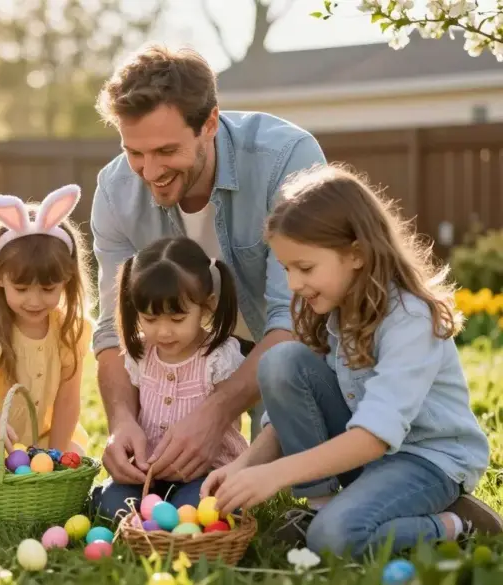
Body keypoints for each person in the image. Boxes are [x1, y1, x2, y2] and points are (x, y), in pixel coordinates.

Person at [201, 164, 502, 558]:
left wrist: (275, 474)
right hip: (365, 457)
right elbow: (299, 404)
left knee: (334, 539)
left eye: (305, 268)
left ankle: (454, 525)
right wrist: (244, 465)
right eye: (287, 269)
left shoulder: (410, 319)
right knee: (281, 361)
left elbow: (374, 436)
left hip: (427, 461)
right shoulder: (334, 308)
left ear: (356, 254)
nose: (293, 284)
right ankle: (319, 508)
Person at [89, 44, 326, 493]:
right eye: (134, 152)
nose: (149, 171)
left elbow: (297, 318)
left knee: (292, 477)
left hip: (288, 349)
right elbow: (112, 328)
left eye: (166, 150)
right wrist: (121, 421)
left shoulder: (286, 159)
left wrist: (215, 413)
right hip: (185, 349)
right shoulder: (115, 190)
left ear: (210, 124)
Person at [91, 237, 248, 520]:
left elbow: (230, 411)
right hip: (149, 474)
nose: (163, 332)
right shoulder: (141, 354)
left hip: (204, 472)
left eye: (177, 320)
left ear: (207, 306)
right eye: (150, 319)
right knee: (111, 507)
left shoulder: (218, 357)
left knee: (195, 511)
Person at [0, 185, 94, 458]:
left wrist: (54, 455)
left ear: (67, 278)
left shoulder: (71, 329)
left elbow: (68, 401)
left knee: (75, 458)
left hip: (41, 437)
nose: (34, 301)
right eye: (21, 289)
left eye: (48, 289)